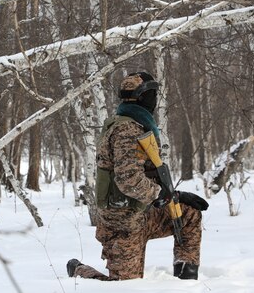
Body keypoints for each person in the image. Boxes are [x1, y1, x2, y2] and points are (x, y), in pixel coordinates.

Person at [67, 72, 209, 281]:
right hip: (121, 222)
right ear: (142, 97)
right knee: (124, 287)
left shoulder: (137, 125)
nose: (155, 98)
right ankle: (79, 269)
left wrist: (175, 196)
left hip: (141, 212)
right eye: (152, 94)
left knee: (188, 214)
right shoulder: (127, 130)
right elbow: (128, 179)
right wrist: (163, 195)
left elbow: (143, 176)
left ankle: (185, 281)